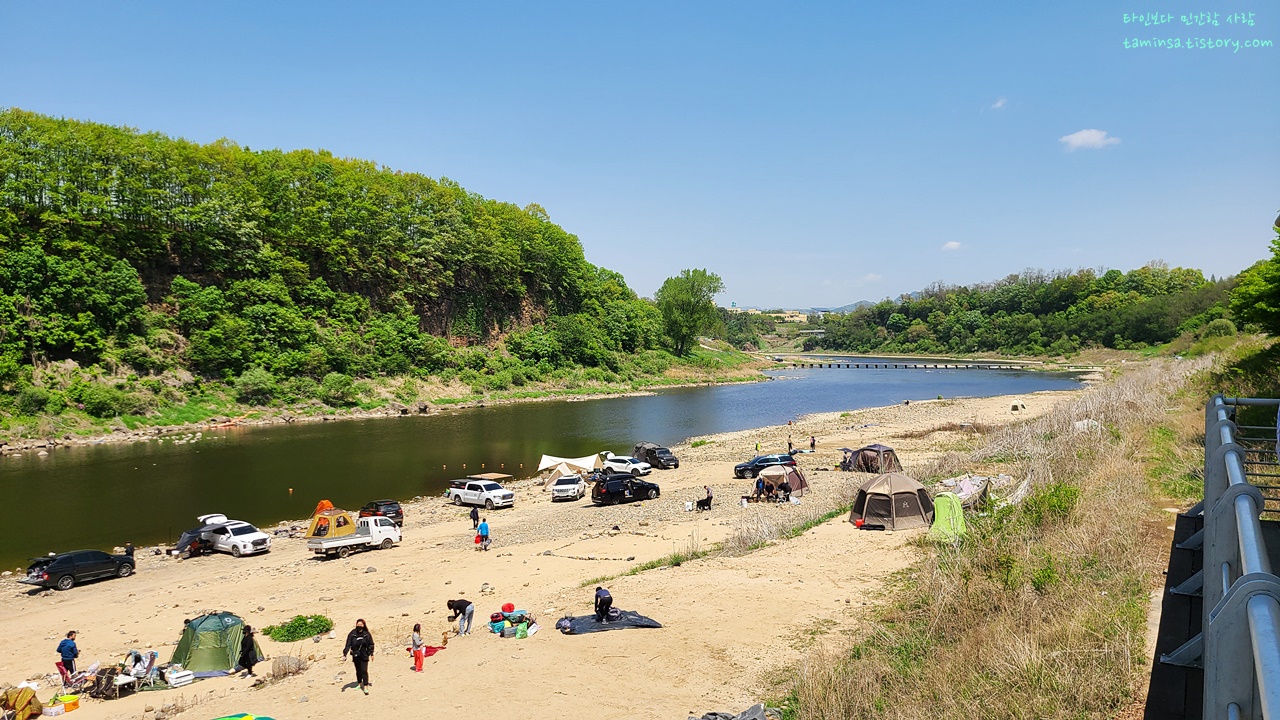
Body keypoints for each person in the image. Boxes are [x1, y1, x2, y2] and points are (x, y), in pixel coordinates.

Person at [343, 619, 375, 695]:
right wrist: (345, 653)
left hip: (364, 654)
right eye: (358, 625)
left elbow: (371, 644)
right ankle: (359, 683)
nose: (359, 626)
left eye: (361, 625)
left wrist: (371, 654)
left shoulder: (366, 634)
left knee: (364, 670)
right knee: (358, 670)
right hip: (355, 654)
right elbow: (348, 644)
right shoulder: (352, 633)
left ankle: (366, 686)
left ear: (364, 625)